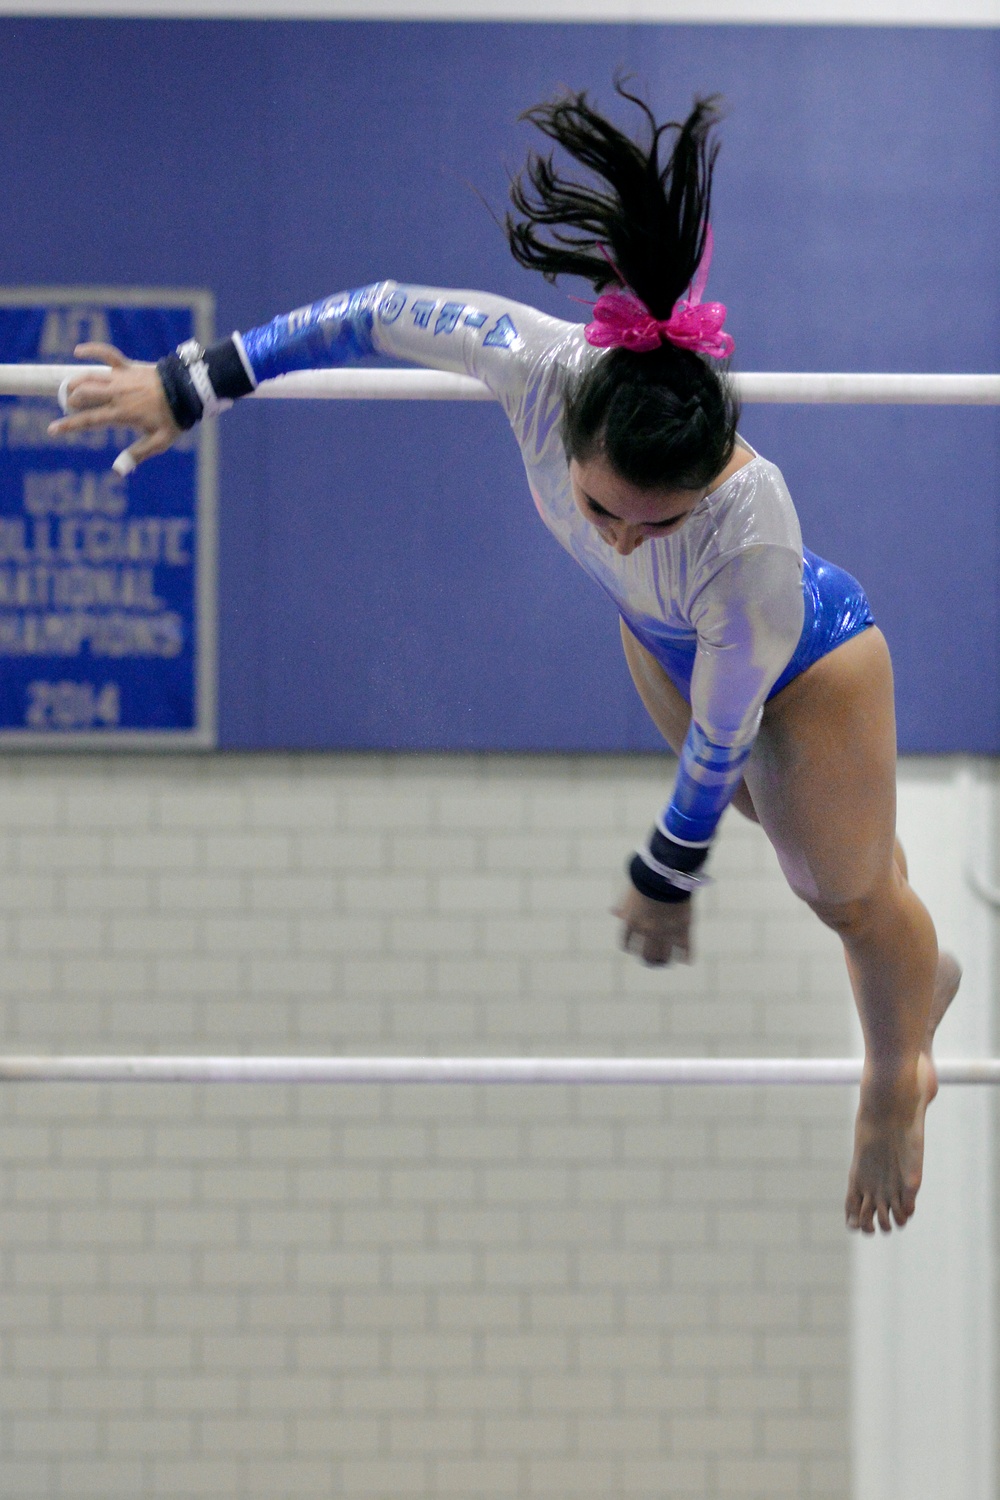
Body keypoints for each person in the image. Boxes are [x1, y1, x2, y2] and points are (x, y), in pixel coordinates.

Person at [49, 81, 959, 1235]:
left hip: (804, 656)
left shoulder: (753, 528)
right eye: (604, 509)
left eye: (658, 522)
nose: (622, 535)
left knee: (842, 891)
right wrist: (189, 384)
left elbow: (728, 728)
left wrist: (662, 873)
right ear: (575, 427)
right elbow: (367, 311)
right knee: (775, 829)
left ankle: (897, 1072)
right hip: (663, 636)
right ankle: (898, 966)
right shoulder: (535, 366)